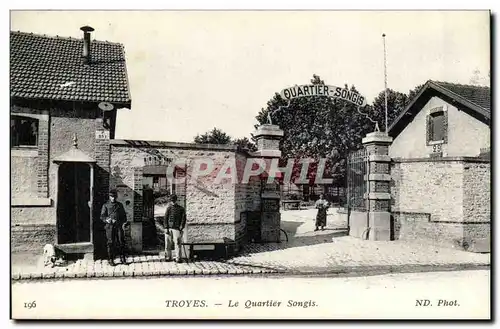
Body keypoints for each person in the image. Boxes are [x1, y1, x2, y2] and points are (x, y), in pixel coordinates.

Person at [100, 189, 128, 266]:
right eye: (112, 196)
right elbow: (102, 216)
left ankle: (123, 258)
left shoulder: (120, 205)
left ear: (116, 197)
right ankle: (111, 259)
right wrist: (107, 219)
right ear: (109, 197)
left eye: (114, 196)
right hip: (109, 227)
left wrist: (121, 222)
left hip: (118, 226)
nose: (113, 198)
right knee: (110, 243)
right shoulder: (105, 205)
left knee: (121, 242)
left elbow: (124, 217)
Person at [164, 194, 186, 263]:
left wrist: (181, 227)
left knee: (177, 243)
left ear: (176, 200)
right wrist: (166, 228)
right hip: (169, 228)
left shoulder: (181, 209)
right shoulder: (169, 208)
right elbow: (165, 218)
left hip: (177, 229)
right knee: (167, 244)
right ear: (170, 201)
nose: (173, 202)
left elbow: (183, 219)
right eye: (171, 200)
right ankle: (168, 257)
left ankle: (178, 258)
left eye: (174, 200)